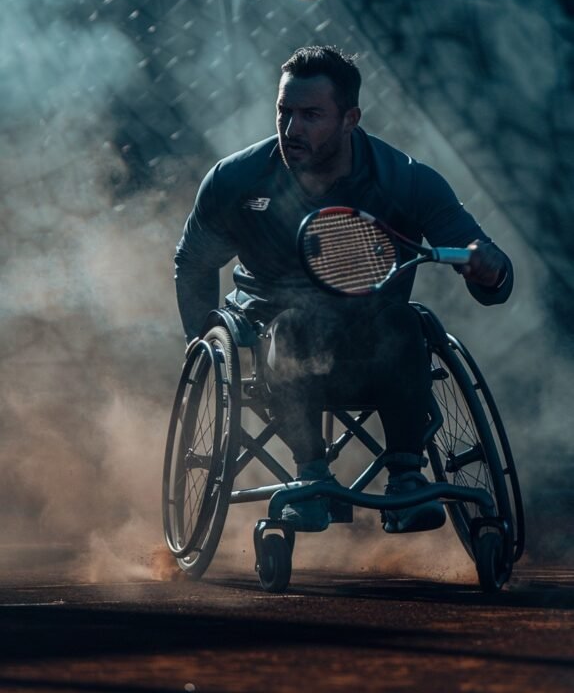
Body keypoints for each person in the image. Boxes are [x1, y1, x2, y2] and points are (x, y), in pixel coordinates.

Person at [175, 45, 513, 533]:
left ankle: (405, 480)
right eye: (284, 112)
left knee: (407, 320)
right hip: (274, 342)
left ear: (350, 118)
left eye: (311, 115)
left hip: (374, 346)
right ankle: (310, 476)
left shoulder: (406, 180)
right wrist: (199, 343)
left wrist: (491, 269)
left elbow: (484, 263)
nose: (292, 130)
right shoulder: (236, 180)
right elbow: (192, 262)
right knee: (292, 327)